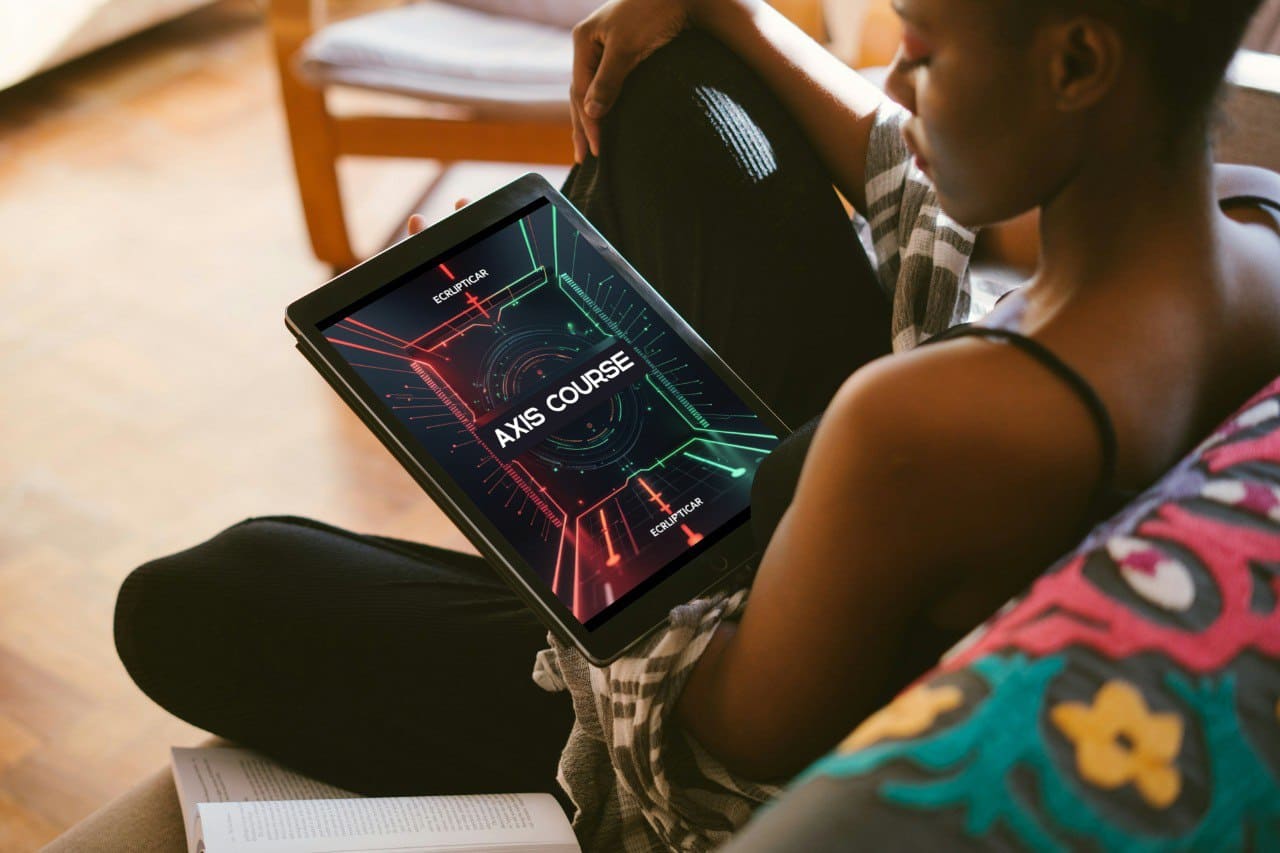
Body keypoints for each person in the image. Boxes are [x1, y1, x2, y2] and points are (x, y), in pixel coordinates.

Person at [115, 0, 1280, 850]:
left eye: (921, 48)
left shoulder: (925, 424)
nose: (899, 77)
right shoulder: (1249, 221)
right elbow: (930, 198)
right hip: (867, 533)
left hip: (755, 644)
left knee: (205, 593)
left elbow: (711, 760)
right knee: (674, 83)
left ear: (1075, 62)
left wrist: (532, 433)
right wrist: (726, 7)